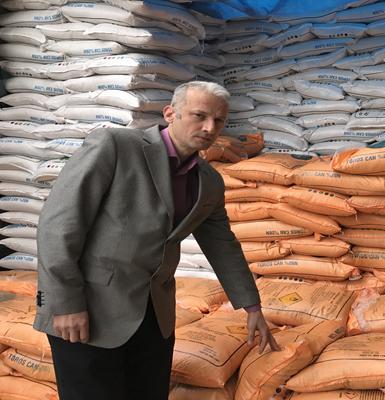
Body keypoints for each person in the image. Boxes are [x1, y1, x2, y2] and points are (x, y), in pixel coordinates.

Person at [33, 81, 279, 400]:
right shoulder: (116, 146)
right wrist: (63, 302)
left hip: (154, 317)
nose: (208, 127)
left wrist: (252, 306)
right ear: (170, 113)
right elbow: (58, 224)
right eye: (199, 115)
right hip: (88, 311)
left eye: (218, 121)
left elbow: (223, 245)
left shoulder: (209, 181)